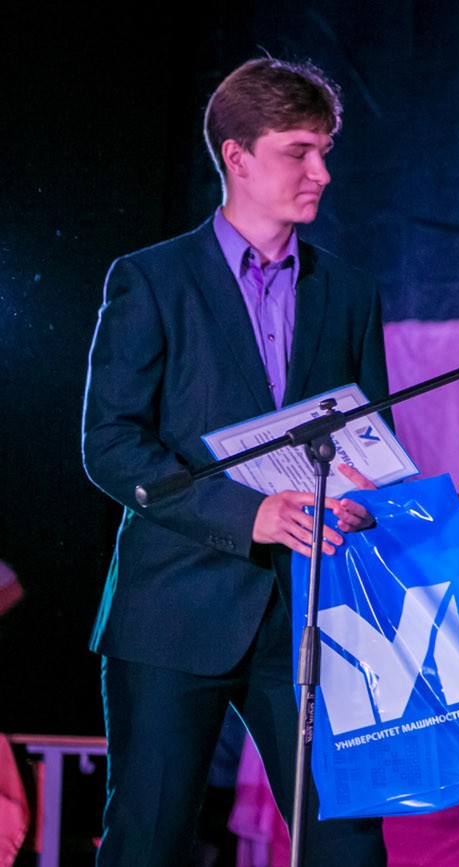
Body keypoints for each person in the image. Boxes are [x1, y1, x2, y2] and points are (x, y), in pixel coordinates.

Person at [82, 57, 388, 866]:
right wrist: (248, 514)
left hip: (311, 616)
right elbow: (110, 444)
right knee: (147, 845)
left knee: (350, 847)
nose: (321, 172)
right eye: (299, 151)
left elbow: (372, 439)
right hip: (173, 613)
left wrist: (370, 495)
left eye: (325, 151)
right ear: (237, 156)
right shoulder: (151, 280)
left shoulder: (350, 292)